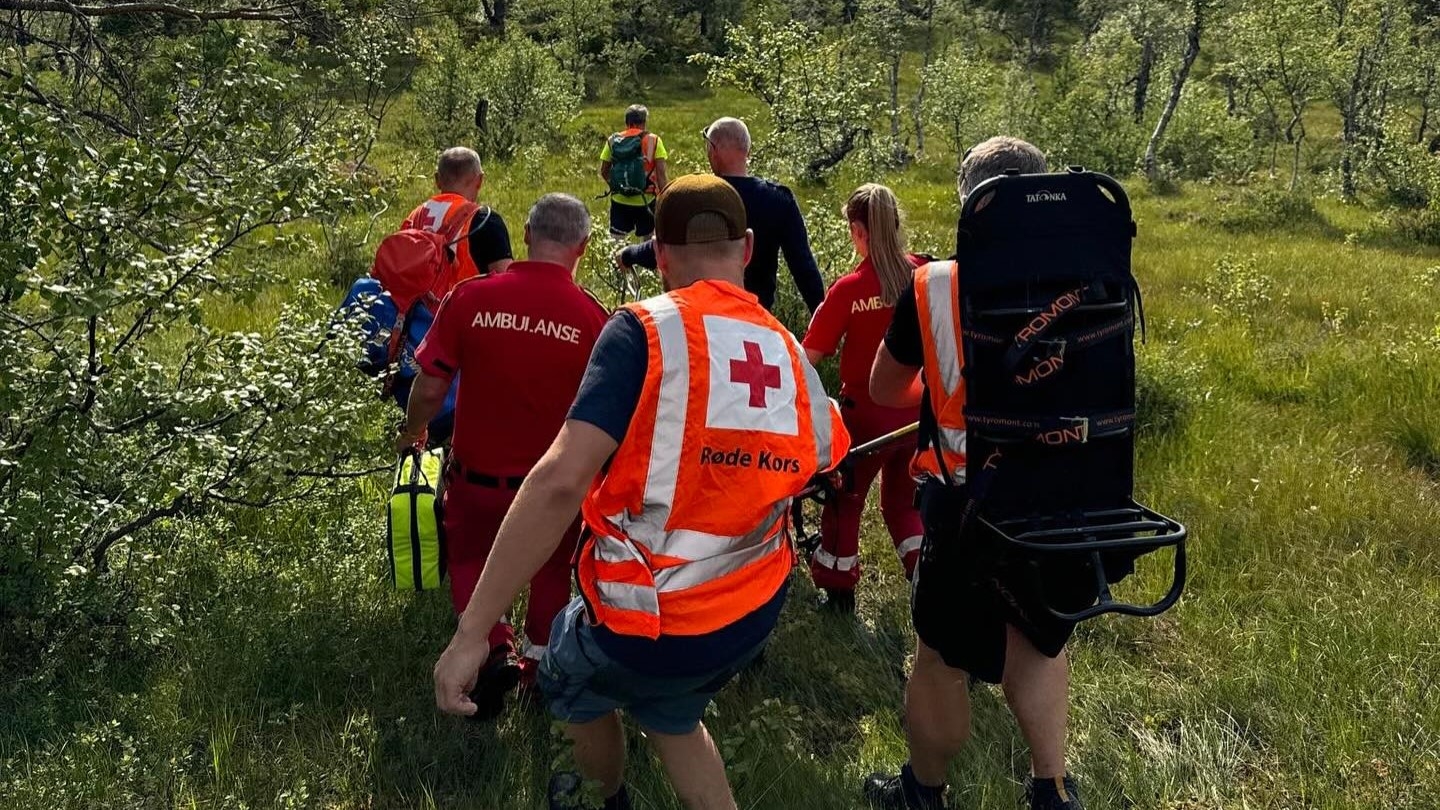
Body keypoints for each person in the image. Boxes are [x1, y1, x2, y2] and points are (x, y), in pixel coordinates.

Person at [432, 175, 850, 810]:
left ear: (658, 253)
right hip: (748, 613)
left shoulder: (644, 331)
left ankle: (603, 798)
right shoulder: (790, 352)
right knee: (672, 711)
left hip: (647, 616)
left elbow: (560, 481)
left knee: (572, 683)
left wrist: (471, 635)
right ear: (749, 248)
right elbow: (824, 454)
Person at [865, 137, 1085, 810]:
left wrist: (943, 385)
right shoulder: (1091, 274)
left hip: (968, 503)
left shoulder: (936, 286)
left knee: (941, 654)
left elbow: (883, 388)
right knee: (1040, 638)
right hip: (1067, 494)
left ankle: (922, 792)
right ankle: (1051, 788)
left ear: (971, 206)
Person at [397, 193, 609, 713]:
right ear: (581, 247)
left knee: (470, 561)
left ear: (528, 234)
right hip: (552, 494)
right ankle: (540, 672)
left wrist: (413, 434)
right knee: (551, 573)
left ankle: (492, 650)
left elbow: (428, 388)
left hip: (475, 482)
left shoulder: (470, 297)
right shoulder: (594, 321)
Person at [800, 184, 925, 613]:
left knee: (845, 501)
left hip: (866, 420)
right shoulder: (925, 275)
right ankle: (925, 579)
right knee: (905, 505)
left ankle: (838, 593)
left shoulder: (849, 289)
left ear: (858, 230)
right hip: (918, 416)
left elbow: (808, 358)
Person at [616, 117, 826, 314]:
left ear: (713, 151)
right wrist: (823, 321)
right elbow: (803, 267)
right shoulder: (779, 200)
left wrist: (630, 253)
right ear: (748, 151)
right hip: (755, 316)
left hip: (702, 317)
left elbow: (665, 248)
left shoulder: (697, 195)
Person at [404, 146, 513, 279]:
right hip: (464, 299)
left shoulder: (414, 217)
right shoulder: (485, 221)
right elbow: (505, 281)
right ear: (479, 180)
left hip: (414, 300)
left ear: (437, 180)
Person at [600, 105, 669, 238]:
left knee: (617, 243)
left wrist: (619, 187)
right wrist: (666, 200)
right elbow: (661, 175)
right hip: (646, 200)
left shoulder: (613, 140)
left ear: (627, 122)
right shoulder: (654, 140)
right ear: (644, 122)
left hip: (619, 200)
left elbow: (604, 171)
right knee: (648, 243)